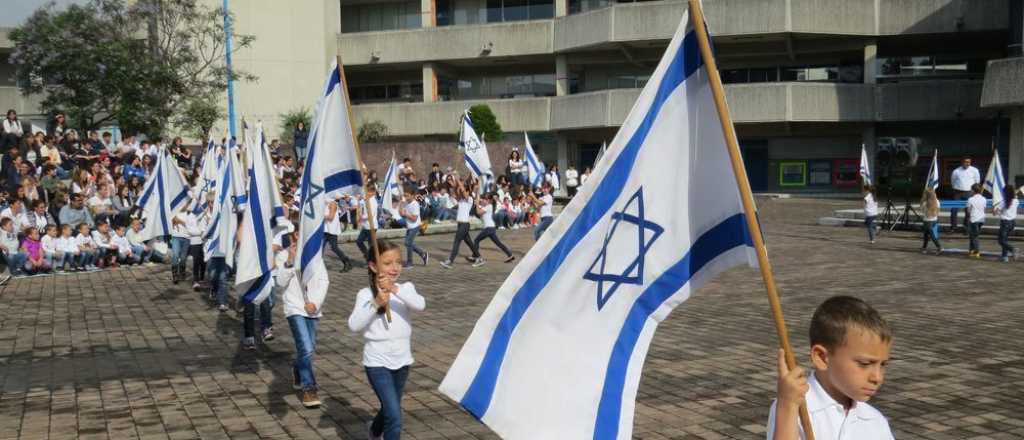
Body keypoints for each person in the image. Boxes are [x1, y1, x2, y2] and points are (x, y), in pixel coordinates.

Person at [768, 296, 894, 440]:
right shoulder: (795, 408)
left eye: (883, 365)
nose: (877, 377)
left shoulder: (875, 421)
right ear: (821, 357)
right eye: (864, 364)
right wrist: (787, 406)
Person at [348, 239, 425, 440]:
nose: (394, 267)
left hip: (402, 360)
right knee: (394, 416)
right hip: (377, 361)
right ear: (373, 266)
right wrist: (376, 303)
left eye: (398, 262)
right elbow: (354, 325)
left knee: (390, 407)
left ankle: (374, 431)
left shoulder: (406, 288)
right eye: (387, 263)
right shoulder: (365, 294)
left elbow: (420, 305)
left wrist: (394, 289)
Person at [276, 226, 328, 408]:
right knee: (305, 347)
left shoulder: (315, 255)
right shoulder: (283, 255)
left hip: (312, 308)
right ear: (294, 235)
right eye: (297, 234)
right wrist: (290, 260)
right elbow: (280, 281)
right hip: (294, 308)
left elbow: (323, 281)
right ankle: (309, 388)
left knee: (309, 348)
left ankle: (298, 368)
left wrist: (316, 302)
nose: (300, 237)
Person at [440, 180, 483, 269]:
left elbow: (463, 191)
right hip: (461, 225)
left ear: (467, 191)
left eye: (463, 190)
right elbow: (457, 192)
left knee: (457, 241)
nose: (460, 192)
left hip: (464, 225)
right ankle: (479, 257)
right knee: (470, 243)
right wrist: (454, 185)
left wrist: (459, 181)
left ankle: (450, 261)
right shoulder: (461, 199)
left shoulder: (470, 199)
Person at [473, 193, 515, 263]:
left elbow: (478, 212)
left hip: (488, 228)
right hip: (491, 228)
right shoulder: (488, 206)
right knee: (498, 243)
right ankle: (510, 255)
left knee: (476, 240)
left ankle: (476, 256)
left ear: (489, 200)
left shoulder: (489, 206)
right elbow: (480, 205)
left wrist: (477, 204)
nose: (483, 200)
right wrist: (478, 201)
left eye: (485, 199)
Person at [949, 157, 981, 232]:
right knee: (954, 210)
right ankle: (953, 227)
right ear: (962, 162)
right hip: (958, 192)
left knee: (968, 211)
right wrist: (956, 188)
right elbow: (953, 181)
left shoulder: (974, 170)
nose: (967, 163)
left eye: (968, 162)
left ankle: (966, 227)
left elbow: (977, 181)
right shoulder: (956, 171)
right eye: (965, 162)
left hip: (969, 192)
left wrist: (974, 192)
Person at [399, 190, 428, 268]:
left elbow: (414, 218)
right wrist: (401, 204)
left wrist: (406, 214)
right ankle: (422, 253)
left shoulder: (415, 204)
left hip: (415, 226)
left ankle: (410, 262)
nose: (406, 197)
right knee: (407, 243)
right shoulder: (406, 203)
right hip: (409, 226)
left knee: (408, 243)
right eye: (405, 195)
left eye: (407, 195)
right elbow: (401, 213)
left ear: (412, 195)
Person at [323, 199, 354, 272]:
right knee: (320, 250)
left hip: (331, 230)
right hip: (324, 230)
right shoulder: (324, 203)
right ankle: (317, 269)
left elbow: (331, 218)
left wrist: (319, 216)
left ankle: (347, 262)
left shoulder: (332, 203)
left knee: (334, 248)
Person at [994, 184, 1018, 263]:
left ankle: (1012, 249)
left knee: (1001, 241)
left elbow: (995, 213)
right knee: (1005, 240)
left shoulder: (1004, 202)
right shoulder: (1016, 201)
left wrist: (995, 209)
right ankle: (1004, 257)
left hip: (1005, 223)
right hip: (1012, 223)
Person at [966, 183, 986, 259]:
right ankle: (971, 250)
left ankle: (976, 251)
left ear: (973, 191)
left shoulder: (970, 199)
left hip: (974, 219)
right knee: (972, 235)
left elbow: (968, 210)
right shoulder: (984, 199)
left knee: (974, 236)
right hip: (981, 219)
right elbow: (983, 209)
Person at [920, 188, 942, 254]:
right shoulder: (937, 201)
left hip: (927, 221)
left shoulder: (924, 203)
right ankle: (924, 248)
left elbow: (923, 212)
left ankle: (939, 247)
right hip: (934, 220)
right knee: (927, 235)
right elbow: (938, 211)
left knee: (931, 236)